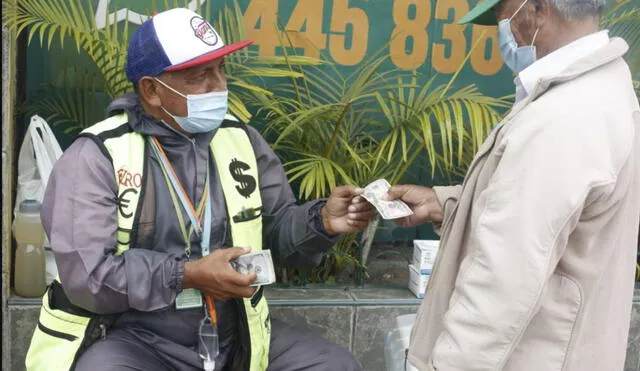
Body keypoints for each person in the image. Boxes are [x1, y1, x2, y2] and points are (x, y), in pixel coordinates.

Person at [24, 8, 374, 371]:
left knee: (335, 365)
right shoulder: (96, 156)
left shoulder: (241, 140)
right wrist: (186, 275)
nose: (219, 86)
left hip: (234, 333)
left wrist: (322, 222)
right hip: (133, 336)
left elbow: (278, 229)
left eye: (221, 70)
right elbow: (89, 277)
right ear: (152, 90)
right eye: (200, 75)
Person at [384, 0, 640, 370]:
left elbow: (502, 281)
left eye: (502, 18)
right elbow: (555, 221)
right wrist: (448, 203)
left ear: (536, 9)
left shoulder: (562, 119)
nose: (502, 34)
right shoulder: (605, 92)